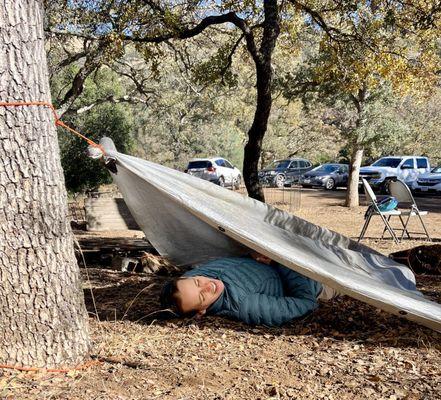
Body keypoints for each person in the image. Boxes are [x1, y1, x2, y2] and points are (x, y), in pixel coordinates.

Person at [160, 253, 336, 327]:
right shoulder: (245, 305)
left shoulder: (198, 275)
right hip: (317, 280)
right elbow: (306, 302)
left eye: (198, 282)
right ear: (201, 311)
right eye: (201, 296)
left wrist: (254, 255)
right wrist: (280, 262)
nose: (207, 286)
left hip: (296, 255)